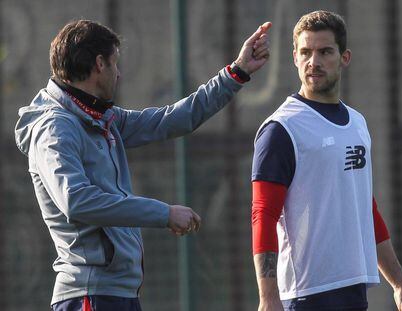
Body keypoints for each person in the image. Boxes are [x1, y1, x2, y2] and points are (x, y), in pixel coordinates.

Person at [15, 19, 271, 310]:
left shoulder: (101, 118)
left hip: (118, 293)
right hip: (89, 295)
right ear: (100, 64)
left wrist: (235, 73)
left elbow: (171, 120)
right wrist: (163, 213)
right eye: (115, 63)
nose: (119, 73)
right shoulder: (55, 129)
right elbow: (76, 201)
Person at [251, 10, 402, 311]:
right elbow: (263, 214)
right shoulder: (281, 129)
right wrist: (268, 297)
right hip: (305, 295)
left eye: (325, 51)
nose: (314, 61)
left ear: (345, 57)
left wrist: (399, 283)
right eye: (306, 52)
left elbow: (365, 207)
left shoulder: (358, 123)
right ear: (295, 58)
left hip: (354, 289)